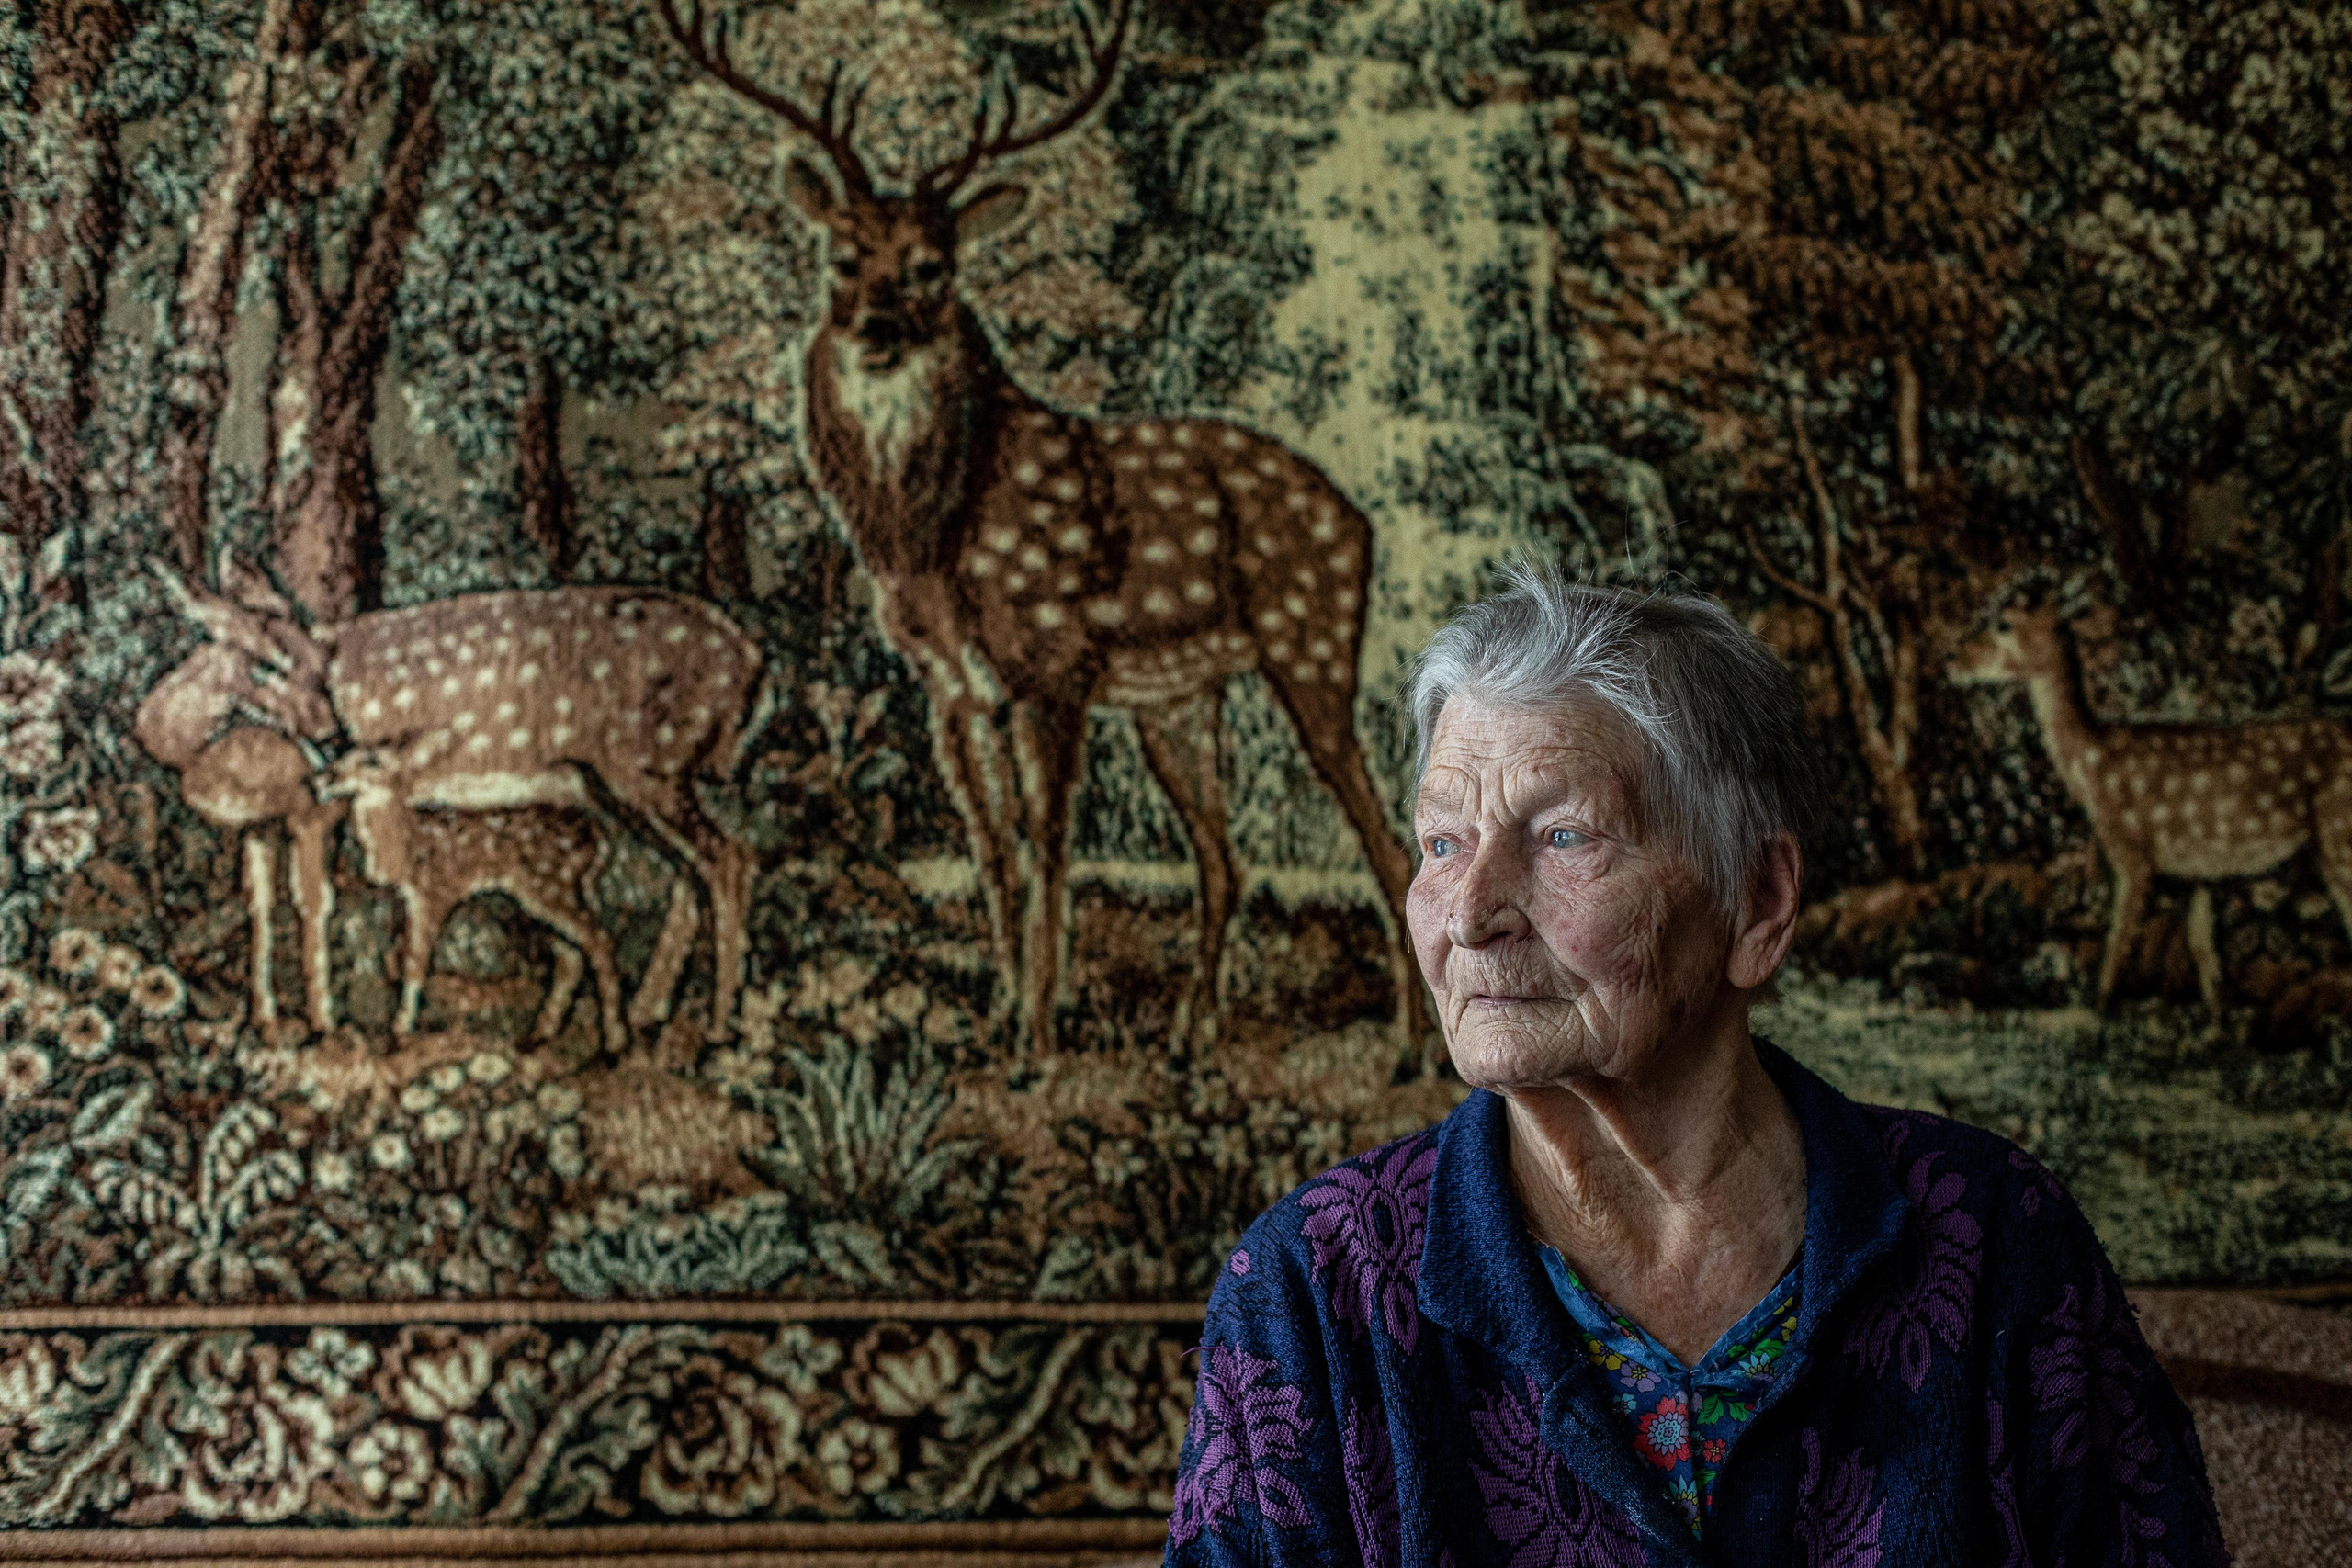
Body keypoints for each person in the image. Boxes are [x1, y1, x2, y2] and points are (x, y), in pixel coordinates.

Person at [1165, 567, 2226, 1566]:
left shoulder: (1996, 1244)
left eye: (1564, 837)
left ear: (1758, 904)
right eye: (1442, 844)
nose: (1471, 916)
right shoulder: (1314, 1285)